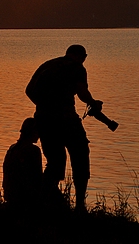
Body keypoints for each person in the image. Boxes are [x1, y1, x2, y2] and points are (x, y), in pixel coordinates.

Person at [25, 44, 102, 212]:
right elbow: (82, 92)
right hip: (66, 118)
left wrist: (44, 106)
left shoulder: (47, 64)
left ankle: (41, 202)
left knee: (55, 162)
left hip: (43, 119)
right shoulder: (77, 68)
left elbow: (28, 90)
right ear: (83, 56)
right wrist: (93, 103)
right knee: (80, 155)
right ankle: (80, 205)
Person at [2, 117, 43, 212]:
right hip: (24, 197)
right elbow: (37, 179)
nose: (39, 135)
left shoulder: (12, 149)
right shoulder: (33, 151)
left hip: (9, 194)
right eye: (38, 132)